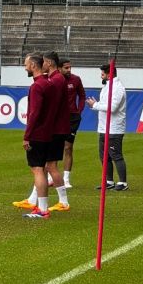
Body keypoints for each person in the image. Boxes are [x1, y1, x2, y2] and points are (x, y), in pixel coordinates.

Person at [20, 53, 54, 219]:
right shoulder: (49, 83)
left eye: (26, 64)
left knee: (38, 170)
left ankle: (42, 209)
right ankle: (42, 207)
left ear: (33, 65)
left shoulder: (37, 86)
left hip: (38, 134)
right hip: (49, 133)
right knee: (42, 169)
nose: (24, 67)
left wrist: (27, 135)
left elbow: (34, 113)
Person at [86, 63, 128, 192]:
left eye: (103, 74)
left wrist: (95, 105)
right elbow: (105, 105)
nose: (101, 77)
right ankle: (109, 181)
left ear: (109, 74)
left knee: (116, 155)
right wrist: (96, 105)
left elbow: (112, 108)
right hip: (104, 127)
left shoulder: (117, 88)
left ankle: (123, 182)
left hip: (114, 128)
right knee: (104, 156)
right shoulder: (107, 87)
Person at [59, 58, 85, 188]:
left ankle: (66, 179)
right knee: (53, 146)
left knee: (68, 147)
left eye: (70, 67)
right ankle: (50, 176)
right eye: (66, 68)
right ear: (59, 68)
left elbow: (82, 96)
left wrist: (79, 111)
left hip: (72, 118)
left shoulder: (76, 79)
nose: (69, 70)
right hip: (57, 118)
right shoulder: (54, 80)